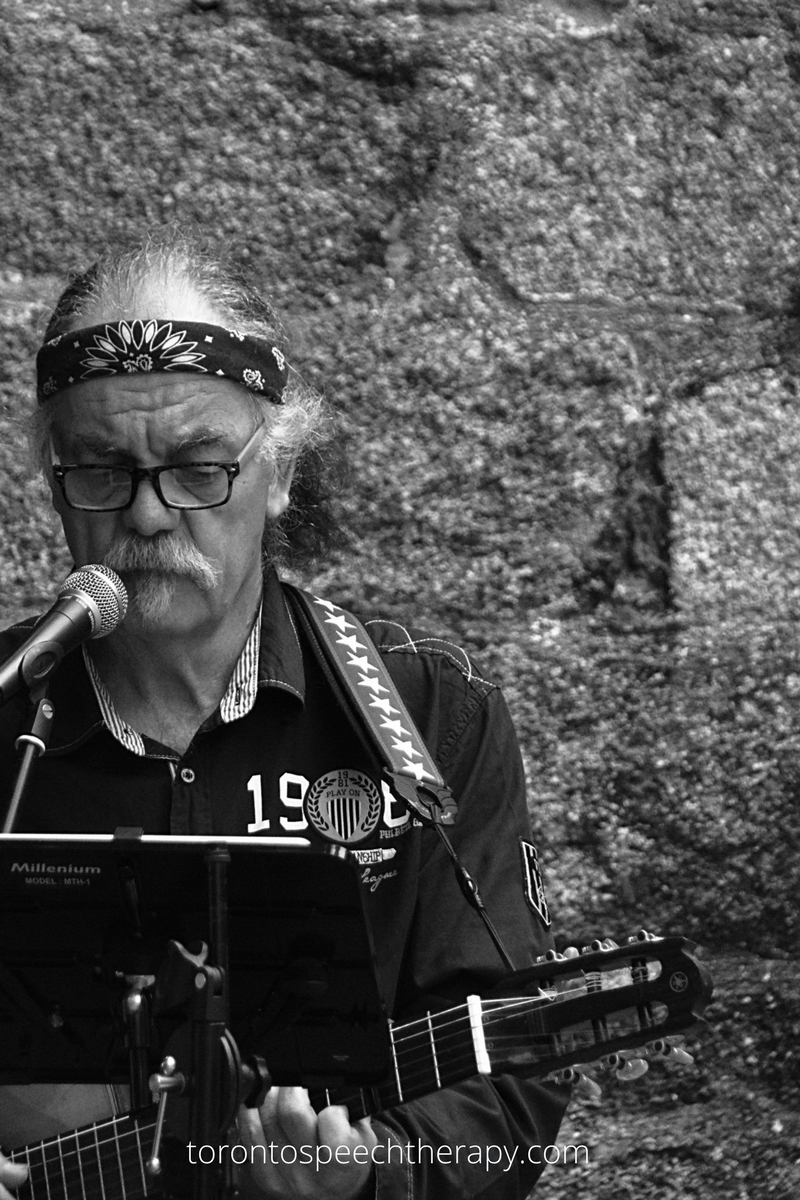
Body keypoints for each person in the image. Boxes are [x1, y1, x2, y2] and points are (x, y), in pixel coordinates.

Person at [0, 232, 567, 1199]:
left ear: (283, 472)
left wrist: (368, 1182)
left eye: (198, 467)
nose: (146, 514)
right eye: (100, 470)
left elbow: (510, 1091)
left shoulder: (430, 714)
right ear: (53, 481)